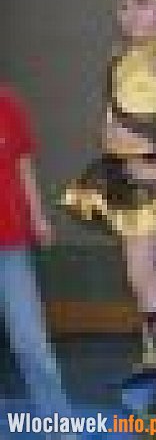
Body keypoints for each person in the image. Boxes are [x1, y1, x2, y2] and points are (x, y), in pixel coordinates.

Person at [60, 0, 156, 411]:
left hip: (145, 175)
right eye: (124, 6)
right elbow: (115, 110)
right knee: (137, 272)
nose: (132, 14)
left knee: (141, 273)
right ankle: (153, 358)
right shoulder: (124, 53)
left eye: (142, 4)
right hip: (120, 170)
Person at [0, 82, 72, 424]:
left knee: (30, 342)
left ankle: (58, 425)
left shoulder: (7, 104)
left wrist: (38, 217)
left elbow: (23, 166)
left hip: (9, 244)